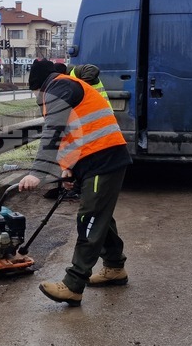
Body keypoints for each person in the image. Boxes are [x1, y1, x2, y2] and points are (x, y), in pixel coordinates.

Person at [18, 59, 132, 306]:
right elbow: (73, 134)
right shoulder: (65, 87)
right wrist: (69, 169)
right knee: (100, 215)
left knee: (89, 217)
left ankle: (73, 284)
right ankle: (114, 267)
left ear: (38, 86)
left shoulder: (59, 88)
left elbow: (53, 131)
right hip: (97, 159)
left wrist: (36, 172)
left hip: (103, 159)